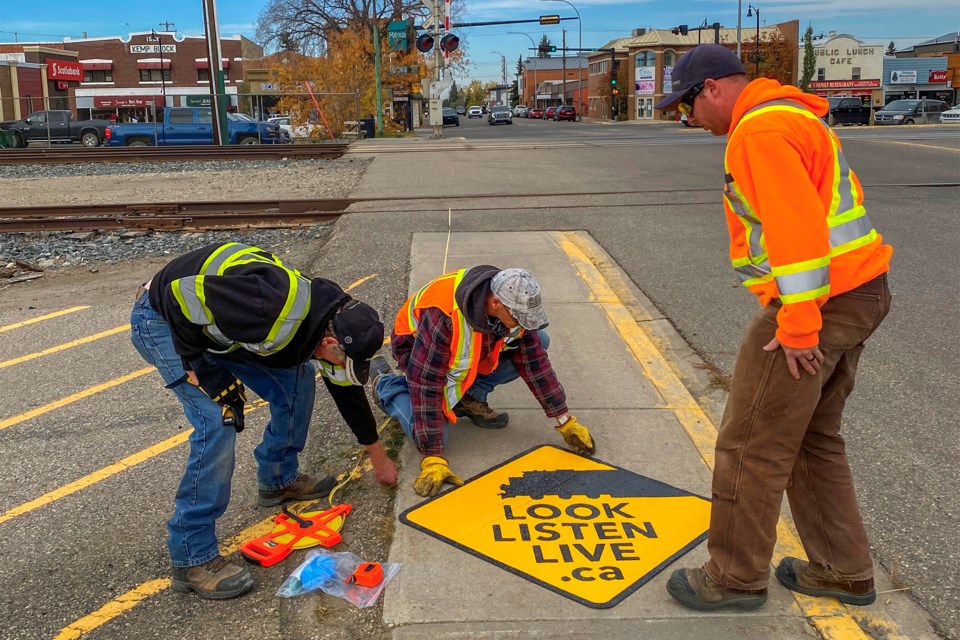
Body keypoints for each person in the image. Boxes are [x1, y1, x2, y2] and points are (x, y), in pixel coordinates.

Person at [655, 45, 892, 611]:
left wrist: (799, 326)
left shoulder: (758, 131)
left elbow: (796, 230)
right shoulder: (792, 115)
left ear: (710, 87)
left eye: (687, 106)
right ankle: (843, 569)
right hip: (859, 290)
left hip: (817, 304)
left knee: (750, 443)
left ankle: (734, 578)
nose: (688, 120)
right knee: (812, 436)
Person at [130, 242, 397, 600]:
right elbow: (180, 295)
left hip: (212, 322)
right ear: (331, 340)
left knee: (298, 379)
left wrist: (378, 457)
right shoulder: (268, 307)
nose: (344, 369)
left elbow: (345, 390)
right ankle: (192, 557)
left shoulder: (331, 316)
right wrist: (202, 369)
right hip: (164, 318)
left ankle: (278, 479)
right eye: (342, 360)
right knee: (217, 419)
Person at [370, 266, 596, 497]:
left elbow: (535, 364)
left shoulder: (511, 305)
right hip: (418, 354)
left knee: (539, 340)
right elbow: (426, 382)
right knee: (436, 435)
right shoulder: (444, 316)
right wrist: (433, 456)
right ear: (496, 303)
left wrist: (564, 419)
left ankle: (468, 398)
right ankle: (387, 386)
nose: (523, 323)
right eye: (519, 317)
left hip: (467, 350)